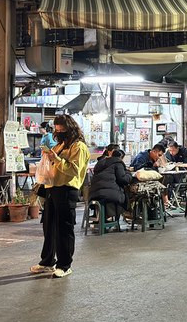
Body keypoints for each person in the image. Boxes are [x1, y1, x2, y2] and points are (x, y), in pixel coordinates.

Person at [31, 115, 89, 278]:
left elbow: (73, 170)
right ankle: (47, 261)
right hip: (52, 188)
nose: (59, 132)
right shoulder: (61, 145)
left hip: (67, 189)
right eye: (57, 129)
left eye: (62, 129)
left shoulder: (78, 147)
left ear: (70, 128)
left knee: (64, 228)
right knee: (49, 226)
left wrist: (55, 159)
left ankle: (64, 264)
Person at [88, 144, 135, 225]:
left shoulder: (100, 163)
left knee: (113, 192)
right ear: (122, 158)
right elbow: (123, 179)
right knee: (125, 198)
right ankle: (118, 219)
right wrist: (128, 173)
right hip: (107, 194)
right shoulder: (118, 163)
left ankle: (105, 217)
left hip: (92, 194)